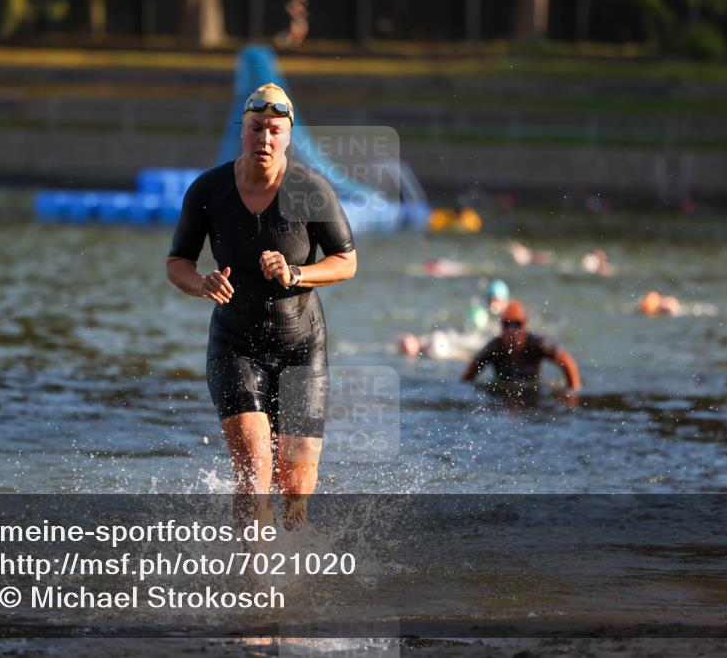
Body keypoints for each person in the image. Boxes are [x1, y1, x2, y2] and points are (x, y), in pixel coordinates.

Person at [166, 83, 357, 531]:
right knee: (254, 475)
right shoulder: (208, 190)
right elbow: (177, 263)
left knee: (295, 488)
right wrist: (201, 284)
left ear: (289, 136)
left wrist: (295, 273)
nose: (264, 139)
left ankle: (292, 564)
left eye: (274, 130)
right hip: (235, 345)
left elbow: (347, 262)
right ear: (242, 131)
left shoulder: (311, 189)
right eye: (256, 128)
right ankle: (253, 568)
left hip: (302, 349)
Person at [461, 300, 581, 391]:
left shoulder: (536, 345)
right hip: (503, 394)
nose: (512, 331)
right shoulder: (493, 348)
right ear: (501, 327)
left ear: (525, 326)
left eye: (517, 324)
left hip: (532, 393)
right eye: (507, 324)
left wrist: (574, 392)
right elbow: (466, 379)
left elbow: (567, 361)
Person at [398, 279, 510, 360]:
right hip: (455, 343)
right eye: (491, 300)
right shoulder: (482, 322)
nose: (493, 304)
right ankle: (414, 342)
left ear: (505, 301)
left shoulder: (500, 328)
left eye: (496, 300)